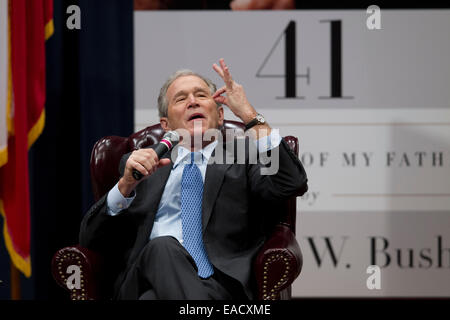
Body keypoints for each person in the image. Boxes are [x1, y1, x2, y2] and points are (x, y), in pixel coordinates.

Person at [79, 58, 308, 300]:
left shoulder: (245, 157)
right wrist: (125, 185)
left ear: (220, 116)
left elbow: (292, 183)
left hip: (219, 284)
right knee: (162, 247)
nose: (193, 101)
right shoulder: (140, 164)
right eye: (181, 98)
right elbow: (90, 238)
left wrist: (249, 115)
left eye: (201, 95)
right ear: (166, 124)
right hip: (143, 274)